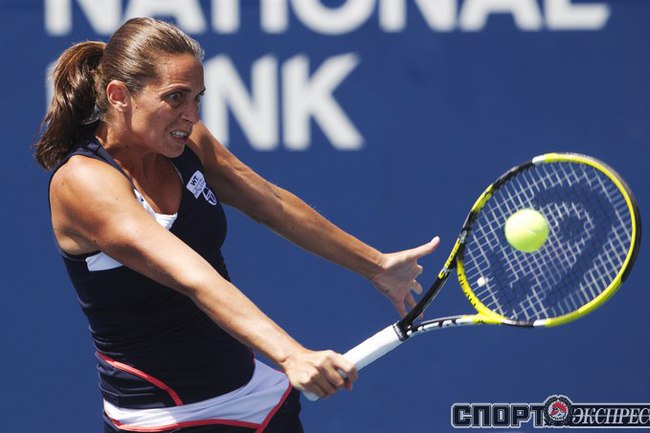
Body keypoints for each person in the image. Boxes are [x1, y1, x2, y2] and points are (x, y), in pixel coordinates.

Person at [35, 17, 439, 433]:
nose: (191, 115)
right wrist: (291, 354)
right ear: (119, 96)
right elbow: (193, 277)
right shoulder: (83, 182)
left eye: (197, 98)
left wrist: (376, 265)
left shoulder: (188, 142)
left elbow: (273, 205)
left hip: (257, 398)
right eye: (175, 98)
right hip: (164, 421)